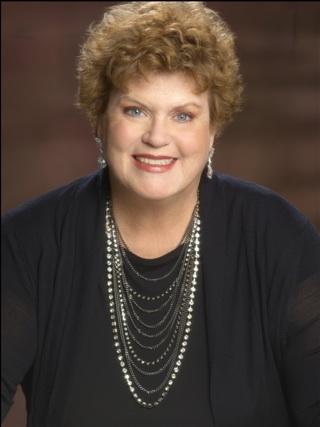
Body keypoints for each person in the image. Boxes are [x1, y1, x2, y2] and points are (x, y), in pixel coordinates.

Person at [2, 1, 319, 426]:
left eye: (183, 116)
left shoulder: (280, 238)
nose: (156, 137)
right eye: (135, 110)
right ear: (99, 117)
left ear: (214, 128)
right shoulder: (28, 244)